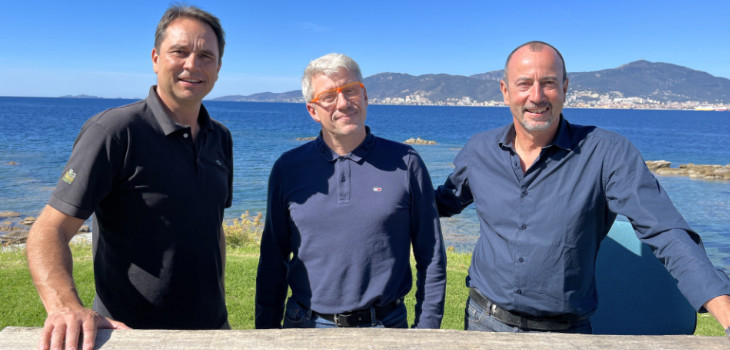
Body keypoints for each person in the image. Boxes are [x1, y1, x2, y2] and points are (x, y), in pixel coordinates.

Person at [435, 41, 730, 334]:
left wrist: (725, 311)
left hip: (565, 333)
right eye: (524, 84)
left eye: (548, 83)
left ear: (565, 88)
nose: (536, 96)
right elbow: (441, 202)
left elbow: (665, 231)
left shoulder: (607, 153)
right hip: (483, 322)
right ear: (505, 91)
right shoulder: (479, 150)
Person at [26, 5, 232, 350]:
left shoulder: (220, 137)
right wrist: (64, 307)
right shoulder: (114, 131)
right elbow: (49, 230)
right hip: (130, 336)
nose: (192, 65)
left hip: (212, 331)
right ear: (155, 58)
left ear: (218, 67)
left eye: (206, 56)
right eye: (179, 52)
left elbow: (213, 227)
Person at [255, 53, 447, 329]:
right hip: (306, 325)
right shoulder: (288, 167)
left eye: (350, 90)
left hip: (386, 326)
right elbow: (273, 258)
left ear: (365, 96)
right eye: (329, 96)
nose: (343, 103)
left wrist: (427, 331)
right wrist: (265, 334)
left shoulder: (406, 162)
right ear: (312, 110)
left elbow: (431, 254)